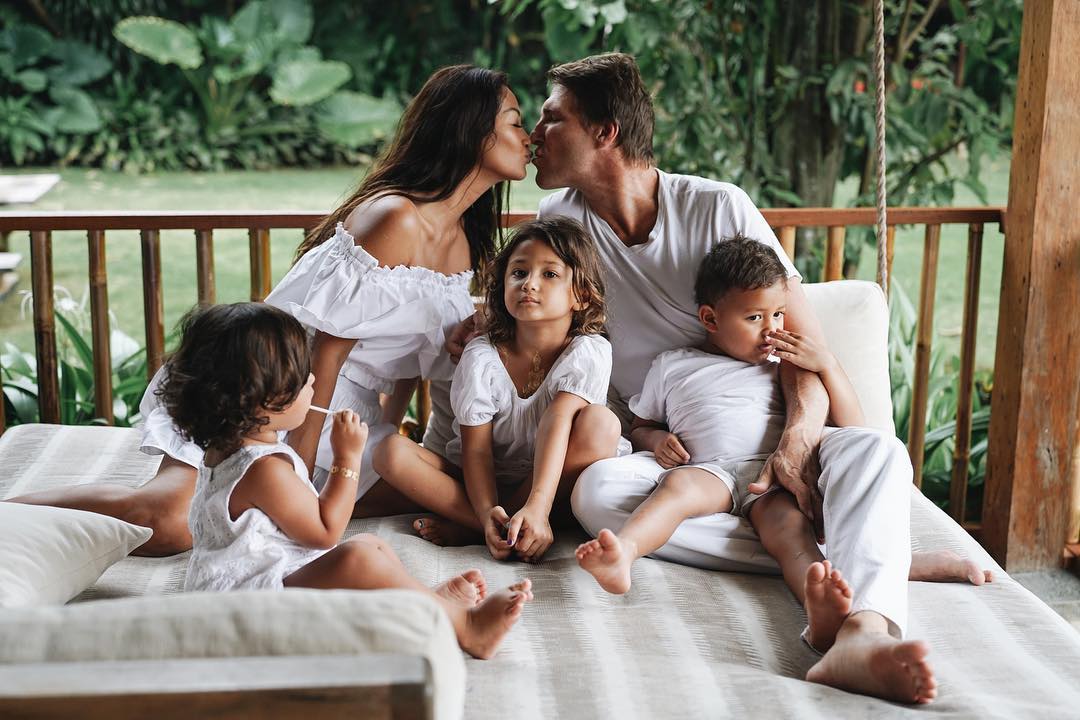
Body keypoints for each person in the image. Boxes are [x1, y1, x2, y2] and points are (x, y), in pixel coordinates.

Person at [7, 64, 533, 556]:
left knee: (411, 488)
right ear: (471, 132)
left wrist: (382, 433)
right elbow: (326, 349)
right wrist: (294, 468)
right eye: (514, 121)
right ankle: (11, 515)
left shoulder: (464, 243)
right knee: (170, 520)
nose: (527, 136)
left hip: (342, 414)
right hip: (267, 384)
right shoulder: (397, 218)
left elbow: (406, 365)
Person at [577, 238, 937, 702]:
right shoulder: (672, 365)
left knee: (793, 534)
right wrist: (655, 441)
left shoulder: (788, 363)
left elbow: (857, 430)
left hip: (778, 479)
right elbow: (642, 424)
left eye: (779, 315)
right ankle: (624, 552)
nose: (772, 330)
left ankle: (826, 616)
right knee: (675, 488)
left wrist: (827, 364)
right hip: (713, 471)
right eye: (754, 318)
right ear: (710, 319)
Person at [163, 302, 532, 659]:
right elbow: (326, 530)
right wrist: (347, 458)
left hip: (245, 589)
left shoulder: (224, 449)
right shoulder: (264, 470)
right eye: (299, 379)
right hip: (250, 611)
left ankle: (429, 603)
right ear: (260, 402)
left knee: (372, 546)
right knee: (358, 558)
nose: (312, 380)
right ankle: (467, 627)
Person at [374, 217, 621, 563]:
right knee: (390, 452)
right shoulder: (481, 355)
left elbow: (557, 420)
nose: (529, 284)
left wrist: (537, 505)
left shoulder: (589, 350)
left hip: (554, 486)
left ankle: (502, 525)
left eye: (549, 274)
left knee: (601, 423)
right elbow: (476, 451)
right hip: (482, 482)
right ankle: (492, 524)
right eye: (519, 273)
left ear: (581, 295)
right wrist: (487, 508)